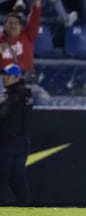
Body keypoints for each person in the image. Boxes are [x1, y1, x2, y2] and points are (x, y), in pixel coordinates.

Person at [0, 63, 33, 206]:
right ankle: (24, 208)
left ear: (16, 77)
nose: (4, 78)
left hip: (8, 141)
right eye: (4, 75)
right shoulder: (26, 94)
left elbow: (2, 115)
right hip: (23, 141)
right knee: (17, 178)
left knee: (3, 177)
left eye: (7, 75)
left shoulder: (12, 95)